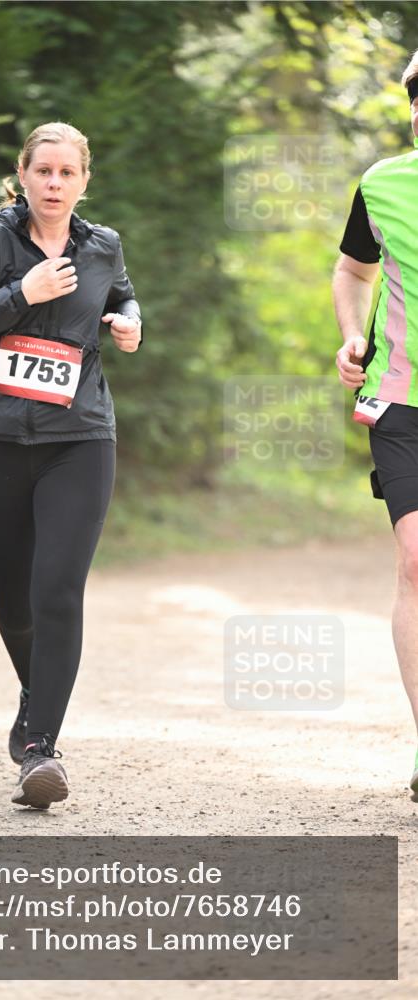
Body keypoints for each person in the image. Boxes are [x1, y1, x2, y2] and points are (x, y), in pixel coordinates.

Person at [0, 122, 143, 810]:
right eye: (42, 172)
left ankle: (37, 748)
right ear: (21, 175)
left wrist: (129, 317)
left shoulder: (101, 245)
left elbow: (119, 292)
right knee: (13, 604)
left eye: (67, 173)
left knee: (57, 591)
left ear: (85, 181)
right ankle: (36, 702)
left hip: (79, 439)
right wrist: (23, 293)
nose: (54, 184)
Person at [333, 50, 418, 801]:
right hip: (400, 401)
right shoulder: (383, 182)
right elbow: (352, 272)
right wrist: (350, 333)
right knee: (416, 561)